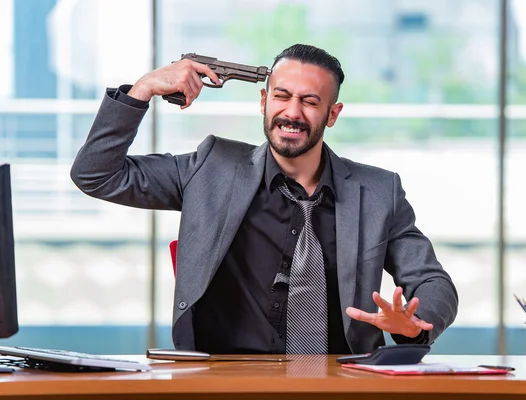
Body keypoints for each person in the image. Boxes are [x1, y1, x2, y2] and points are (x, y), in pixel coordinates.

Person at [71, 44, 458, 355]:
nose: (292, 112)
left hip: (339, 380)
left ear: (333, 113)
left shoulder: (377, 191)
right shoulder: (210, 167)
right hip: (221, 379)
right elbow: (96, 174)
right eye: (282, 96)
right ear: (263, 101)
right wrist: (143, 89)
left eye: (309, 101)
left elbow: (432, 280)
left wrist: (414, 323)